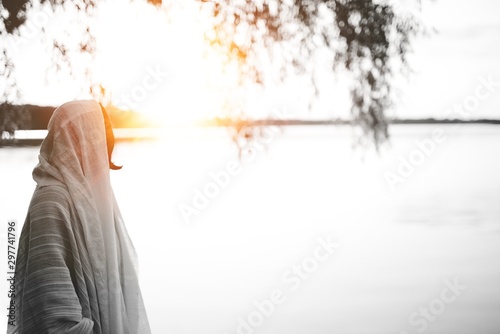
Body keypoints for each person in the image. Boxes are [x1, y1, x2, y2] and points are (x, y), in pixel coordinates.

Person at [8, 100, 151, 334]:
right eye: (100, 148)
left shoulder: (86, 201)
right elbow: (53, 318)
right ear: (82, 142)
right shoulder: (51, 202)